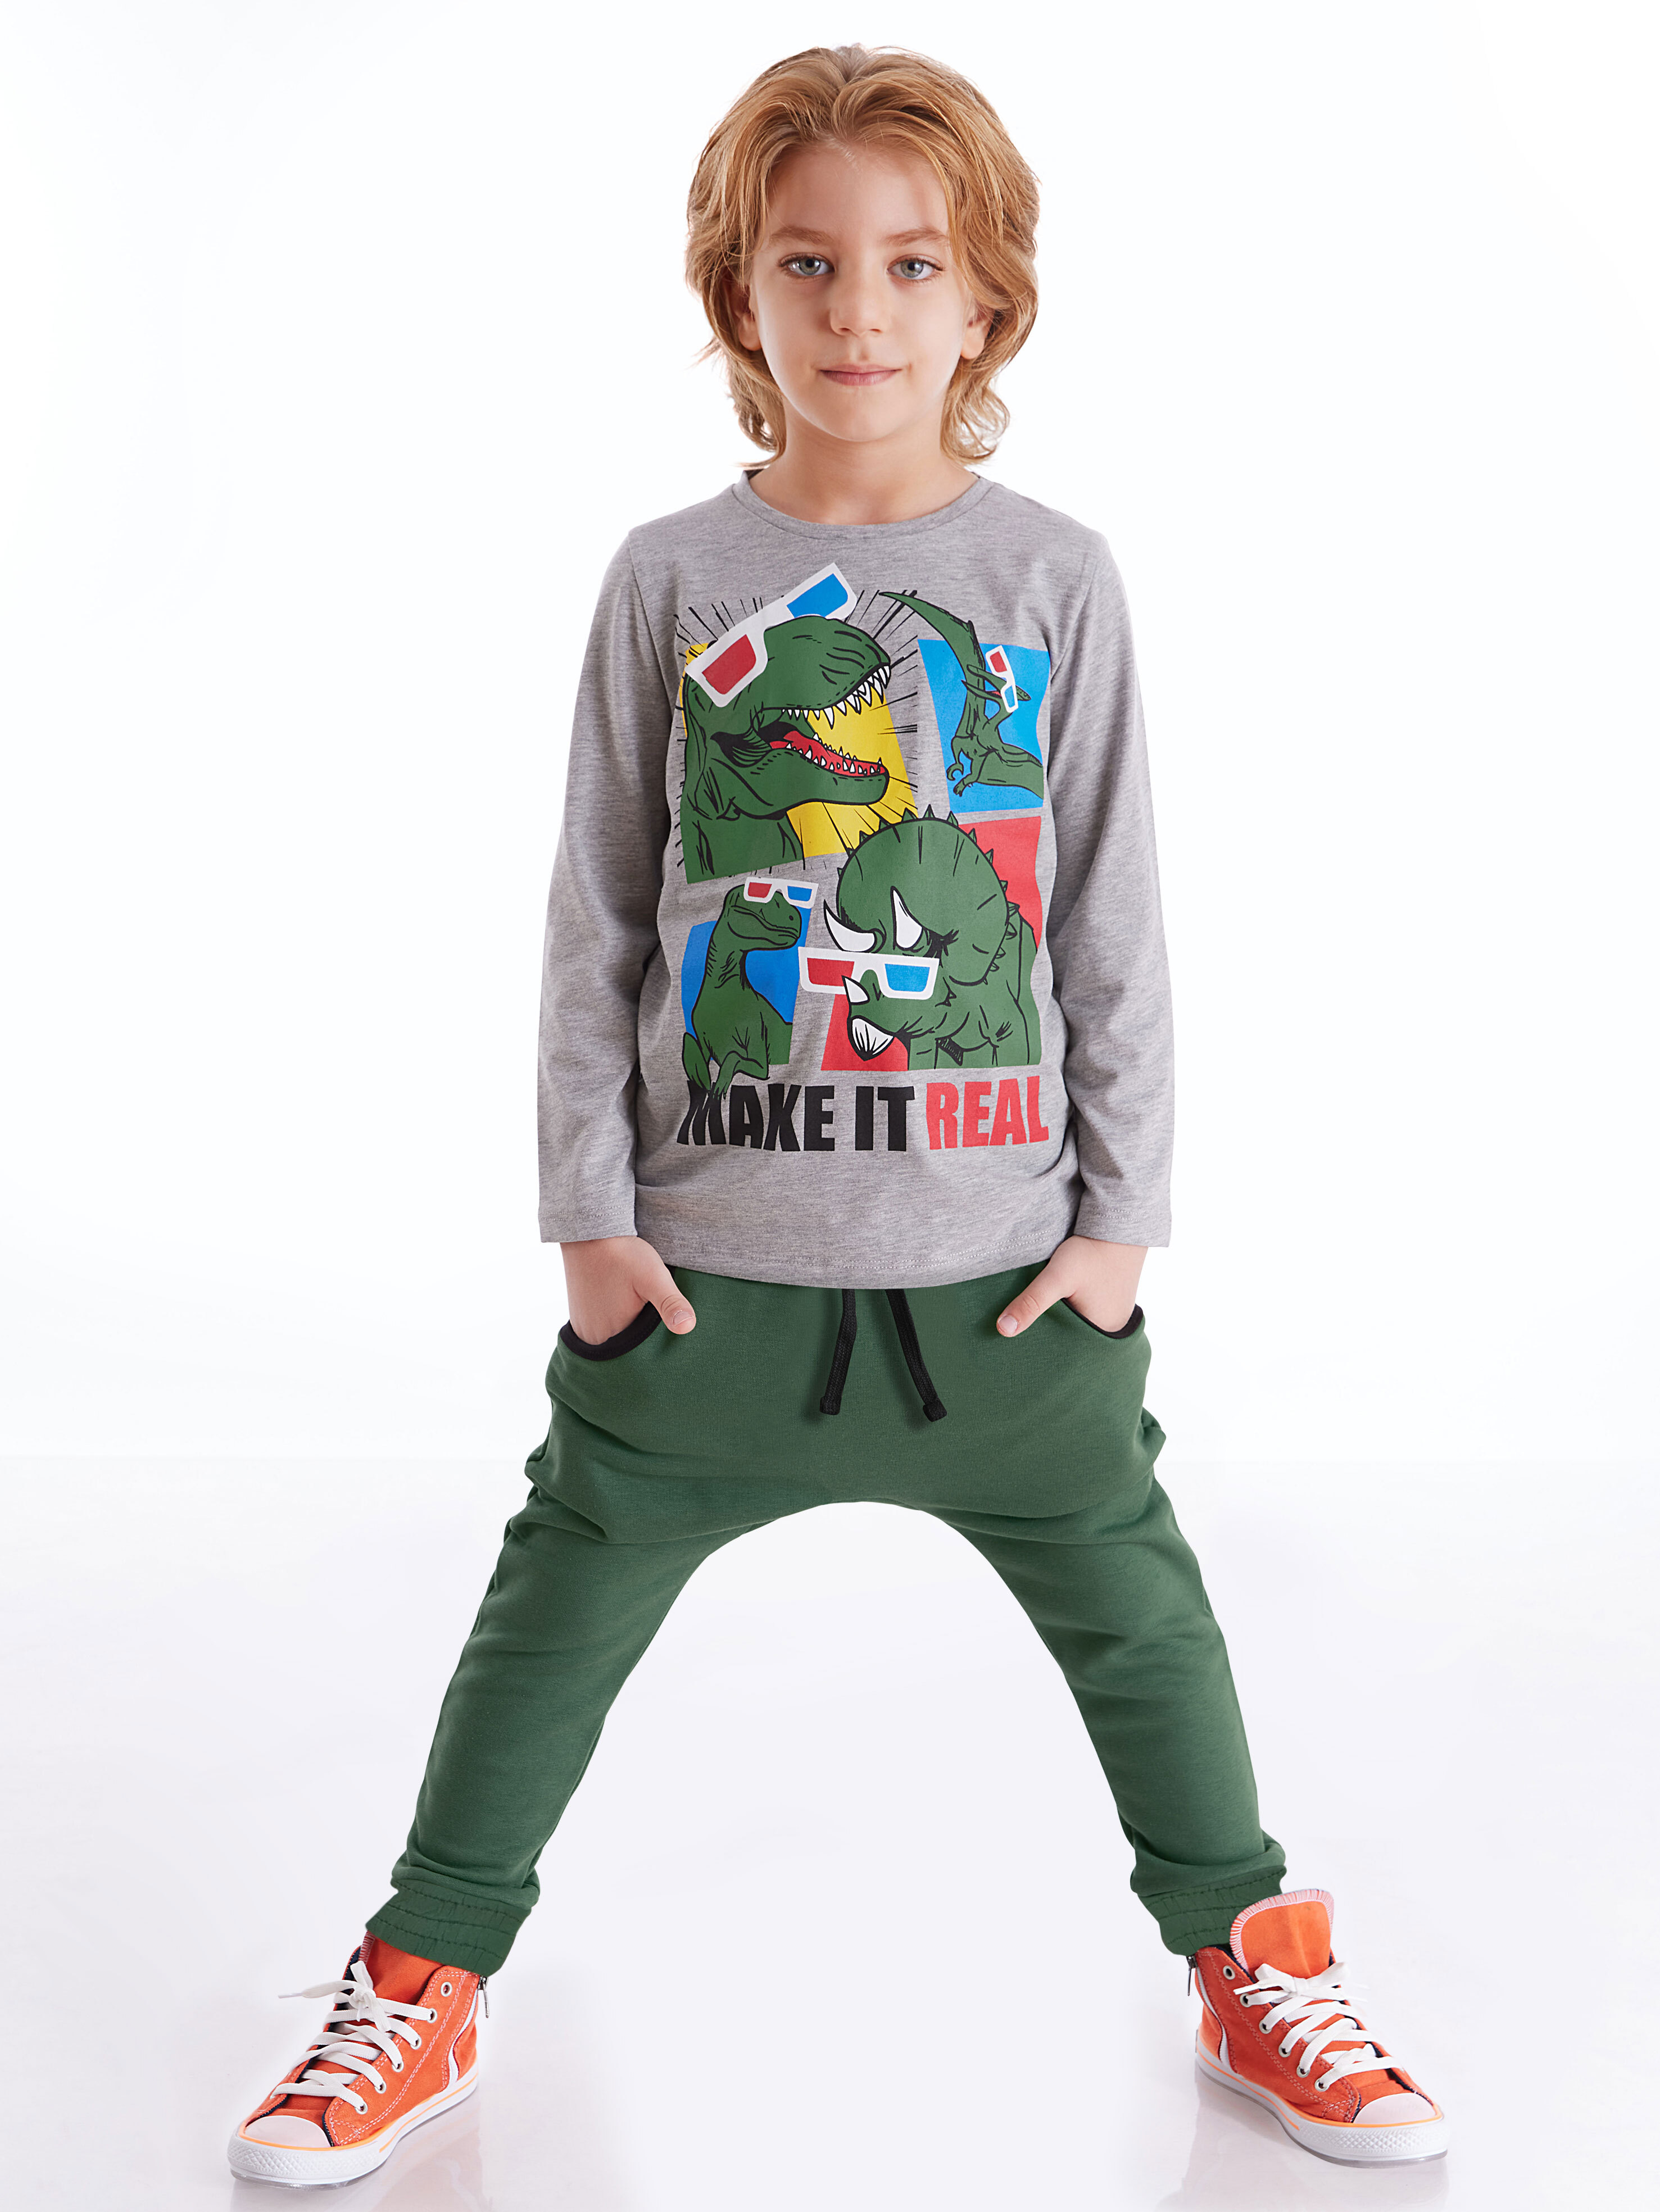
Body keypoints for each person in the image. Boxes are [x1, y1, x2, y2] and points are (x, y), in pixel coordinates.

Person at [228, 43, 1447, 2186]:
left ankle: (1250, 1953)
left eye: (910, 264)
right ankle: (424, 1978)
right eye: (807, 263)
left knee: (1147, 1631)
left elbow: (1111, 915)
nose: (858, 311)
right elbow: (600, 915)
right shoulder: (670, 576)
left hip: (1009, 1296)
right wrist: (588, 1217)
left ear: (986, 302)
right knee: (546, 1629)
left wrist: (1121, 1226)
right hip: (698, 1295)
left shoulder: (1055, 576)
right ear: (738, 295)